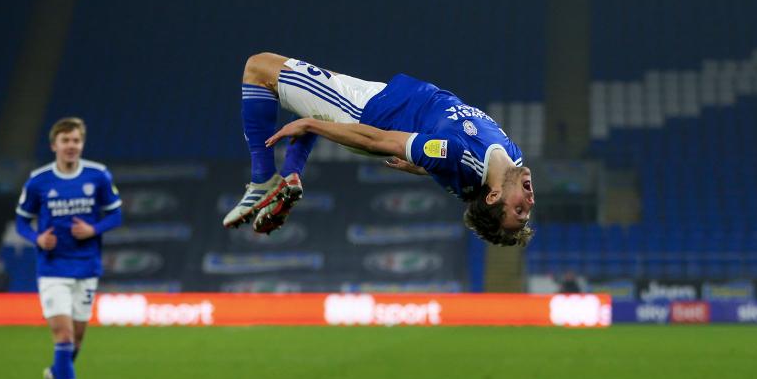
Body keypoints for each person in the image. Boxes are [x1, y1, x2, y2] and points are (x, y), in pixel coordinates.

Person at [223, 53, 535, 246]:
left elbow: (379, 141)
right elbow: (456, 173)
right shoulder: (512, 155)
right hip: (384, 96)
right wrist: (422, 166)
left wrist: (312, 126)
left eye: (519, 210)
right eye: (526, 212)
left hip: (366, 113)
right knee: (303, 100)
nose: (530, 203)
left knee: (259, 68)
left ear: (494, 196)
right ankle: (291, 173)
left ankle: (263, 180)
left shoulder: (453, 153)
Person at [15, 117, 122, 379]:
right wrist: (37, 238)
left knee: (76, 341)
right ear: (54, 145)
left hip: (87, 266)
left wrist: (93, 230)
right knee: (63, 337)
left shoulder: (98, 176)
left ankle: (54, 375)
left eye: (76, 140)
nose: (71, 145)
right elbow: (21, 221)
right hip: (53, 268)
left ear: (82, 144)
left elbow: (115, 215)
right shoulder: (39, 181)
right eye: (65, 141)